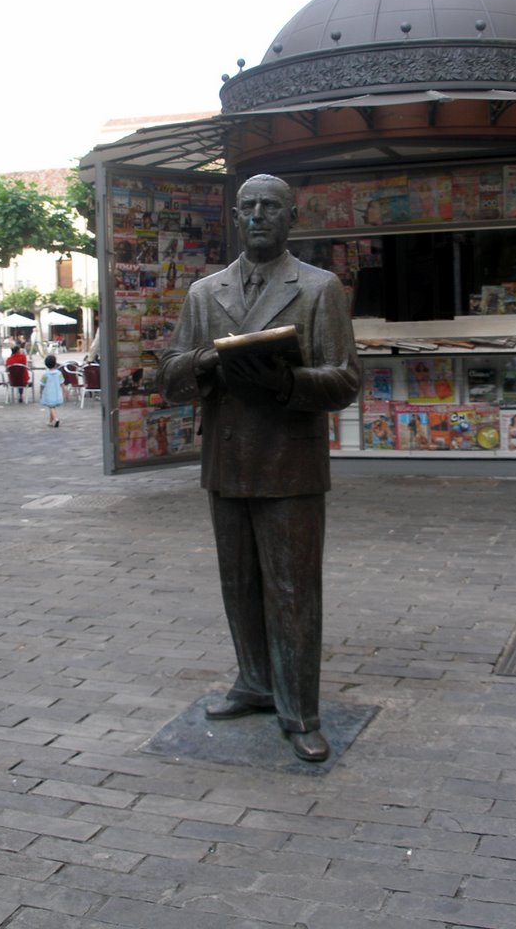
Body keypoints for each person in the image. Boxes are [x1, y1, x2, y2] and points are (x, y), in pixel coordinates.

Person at [159, 174, 360, 763]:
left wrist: (286, 380)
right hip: (227, 460)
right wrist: (208, 363)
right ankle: (254, 681)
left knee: (293, 590)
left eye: (270, 207)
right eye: (247, 208)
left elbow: (344, 378)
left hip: (290, 461)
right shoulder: (205, 292)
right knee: (239, 585)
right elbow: (169, 374)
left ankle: (300, 709)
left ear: (290, 216)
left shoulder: (319, 289)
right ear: (236, 217)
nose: (257, 217)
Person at [40, 354, 65, 428]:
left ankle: (55, 419)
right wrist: (64, 390)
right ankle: (50, 421)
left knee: (51, 407)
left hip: (49, 393)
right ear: (55, 363)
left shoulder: (45, 374)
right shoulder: (59, 373)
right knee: (52, 406)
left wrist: (41, 391)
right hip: (57, 393)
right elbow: (62, 383)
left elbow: (42, 384)